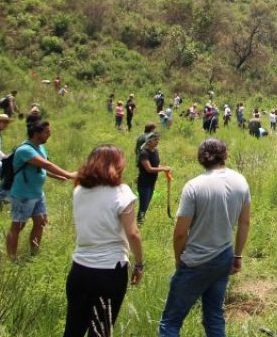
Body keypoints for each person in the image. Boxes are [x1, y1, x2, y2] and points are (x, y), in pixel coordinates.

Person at [158, 139, 252, 337]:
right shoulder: (240, 182)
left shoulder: (194, 186)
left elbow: (180, 232)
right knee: (214, 316)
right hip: (224, 256)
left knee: (170, 322)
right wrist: (237, 255)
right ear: (225, 155)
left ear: (201, 158)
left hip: (196, 261)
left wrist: (179, 259)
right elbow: (244, 223)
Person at [64, 145, 144, 337]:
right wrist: (139, 264)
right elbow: (133, 234)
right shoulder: (121, 192)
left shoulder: (79, 189)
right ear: (117, 165)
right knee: (100, 332)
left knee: (73, 330)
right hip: (110, 271)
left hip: (80, 269)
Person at [7, 120, 77, 259]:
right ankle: (12, 258)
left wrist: (57, 176)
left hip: (38, 193)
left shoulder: (40, 147)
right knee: (18, 226)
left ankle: (34, 254)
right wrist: (69, 174)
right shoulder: (25, 150)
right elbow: (46, 164)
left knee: (40, 222)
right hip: (23, 195)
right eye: (46, 132)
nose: (49, 134)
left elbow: (41, 167)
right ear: (36, 133)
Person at [137, 132, 171, 224]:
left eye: (158, 140)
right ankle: (139, 223)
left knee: (147, 204)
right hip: (144, 183)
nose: (157, 141)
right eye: (155, 140)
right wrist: (163, 169)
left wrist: (163, 167)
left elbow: (155, 165)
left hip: (152, 182)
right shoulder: (144, 154)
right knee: (143, 206)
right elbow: (149, 169)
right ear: (149, 141)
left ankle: (141, 221)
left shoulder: (155, 151)